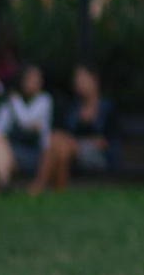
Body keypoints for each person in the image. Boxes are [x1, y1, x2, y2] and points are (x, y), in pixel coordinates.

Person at [0, 65, 54, 198]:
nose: (34, 82)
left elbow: (26, 122)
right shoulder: (9, 103)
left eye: (37, 78)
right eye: (30, 78)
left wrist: (15, 101)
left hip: (35, 155)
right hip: (11, 153)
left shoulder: (44, 101)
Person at [40, 64, 116, 192]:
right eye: (76, 79)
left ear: (93, 79)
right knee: (61, 147)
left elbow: (105, 143)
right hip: (72, 152)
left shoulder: (107, 108)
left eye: (81, 78)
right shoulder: (73, 109)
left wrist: (76, 143)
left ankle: (40, 187)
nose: (77, 82)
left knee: (59, 141)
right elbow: (66, 135)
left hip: (100, 157)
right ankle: (58, 194)